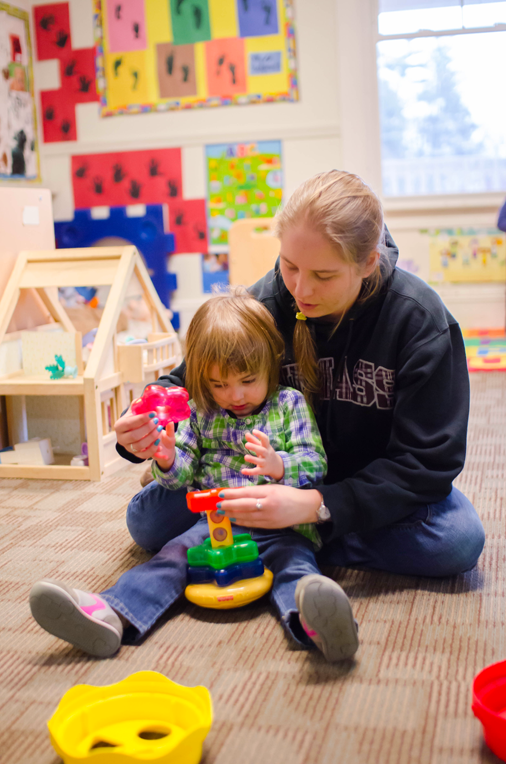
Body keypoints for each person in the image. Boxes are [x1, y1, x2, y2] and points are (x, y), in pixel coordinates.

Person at [115, 170, 485, 619]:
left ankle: (285, 536)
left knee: (457, 540)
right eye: (290, 266)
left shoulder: (420, 322)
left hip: (355, 486)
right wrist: (143, 427)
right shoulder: (265, 304)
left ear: (368, 263)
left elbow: (428, 464)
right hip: (253, 481)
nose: (301, 290)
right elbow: (186, 384)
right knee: (146, 520)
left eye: (324, 275)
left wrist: (316, 506)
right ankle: (286, 540)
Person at [29, 291, 359, 662]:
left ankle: (316, 623)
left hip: (280, 526)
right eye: (219, 384)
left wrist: (278, 464)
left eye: (248, 380)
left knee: (296, 568)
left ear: (272, 363)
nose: (234, 395)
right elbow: (179, 478)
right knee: (169, 559)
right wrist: (169, 460)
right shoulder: (198, 410)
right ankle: (111, 614)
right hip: (212, 524)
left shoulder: (289, 404)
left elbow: (315, 462)